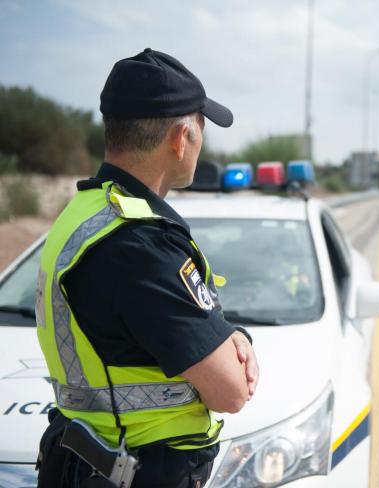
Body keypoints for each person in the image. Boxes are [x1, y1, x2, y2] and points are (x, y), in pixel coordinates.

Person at [35, 48, 259, 488]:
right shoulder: (141, 244)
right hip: (136, 470)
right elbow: (230, 392)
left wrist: (228, 332)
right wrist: (231, 343)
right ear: (180, 138)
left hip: (88, 460)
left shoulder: (84, 213)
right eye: (201, 130)